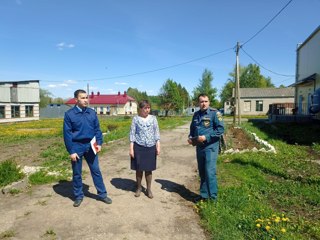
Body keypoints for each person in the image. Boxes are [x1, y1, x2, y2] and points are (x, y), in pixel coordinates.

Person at [63, 89, 112, 207]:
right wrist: (71, 151)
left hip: (91, 145)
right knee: (77, 173)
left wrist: (99, 143)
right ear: (76, 100)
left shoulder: (91, 112)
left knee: (96, 170)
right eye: (83, 98)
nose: (86, 100)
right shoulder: (69, 114)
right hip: (77, 146)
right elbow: (67, 134)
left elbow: (97, 130)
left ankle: (102, 194)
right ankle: (78, 196)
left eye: (86, 97)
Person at [188, 93, 224, 202]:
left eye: (205, 101)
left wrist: (206, 137)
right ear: (198, 103)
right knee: (202, 171)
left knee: (210, 171)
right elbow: (192, 129)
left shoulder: (215, 113)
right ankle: (204, 196)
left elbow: (221, 129)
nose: (203, 104)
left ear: (209, 102)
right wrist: (190, 137)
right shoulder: (196, 115)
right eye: (201, 102)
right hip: (199, 147)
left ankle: (213, 198)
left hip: (210, 147)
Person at [129, 100, 160, 199]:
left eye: (148, 108)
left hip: (151, 146)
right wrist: (131, 148)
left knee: (148, 169)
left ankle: (149, 189)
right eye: (145, 108)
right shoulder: (135, 119)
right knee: (139, 169)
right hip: (138, 146)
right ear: (140, 109)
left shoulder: (153, 118)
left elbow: (156, 132)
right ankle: (138, 188)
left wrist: (158, 145)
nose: (147, 110)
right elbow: (132, 134)